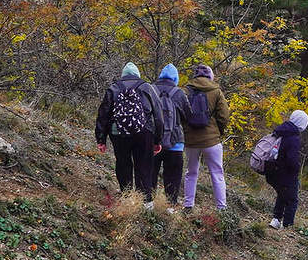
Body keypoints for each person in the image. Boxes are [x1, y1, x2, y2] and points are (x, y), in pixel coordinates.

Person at [94, 62, 165, 205]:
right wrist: (157, 140)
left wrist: (101, 138)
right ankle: (146, 204)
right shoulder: (147, 88)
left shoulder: (114, 88)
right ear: (138, 75)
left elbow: (103, 114)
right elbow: (158, 115)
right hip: (144, 133)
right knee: (144, 166)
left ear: (123, 75)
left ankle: (127, 199)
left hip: (118, 133)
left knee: (123, 164)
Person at [182, 64, 230, 212]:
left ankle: (188, 205)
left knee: (191, 173)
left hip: (190, 140)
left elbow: (180, 113)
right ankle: (221, 208)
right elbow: (224, 116)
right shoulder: (216, 91)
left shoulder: (185, 90)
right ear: (210, 76)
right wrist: (219, 132)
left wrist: (185, 130)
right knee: (217, 173)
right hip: (212, 141)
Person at [265, 109, 308, 230]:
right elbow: (292, 160)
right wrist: (296, 169)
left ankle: (276, 219)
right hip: (286, 173)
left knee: (282, 194)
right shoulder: (293, 137)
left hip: (273, 169)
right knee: (292, 200)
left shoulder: (282, 130)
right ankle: (287, 225)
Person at [152, 63, 189, 207]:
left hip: (153, 143)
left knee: (150, 174)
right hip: (175, 143)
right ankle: (170, 206)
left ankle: (148, 204)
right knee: (173, 177)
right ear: (176, 78)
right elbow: (188, 116)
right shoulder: (179, 93)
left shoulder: (151, 89)